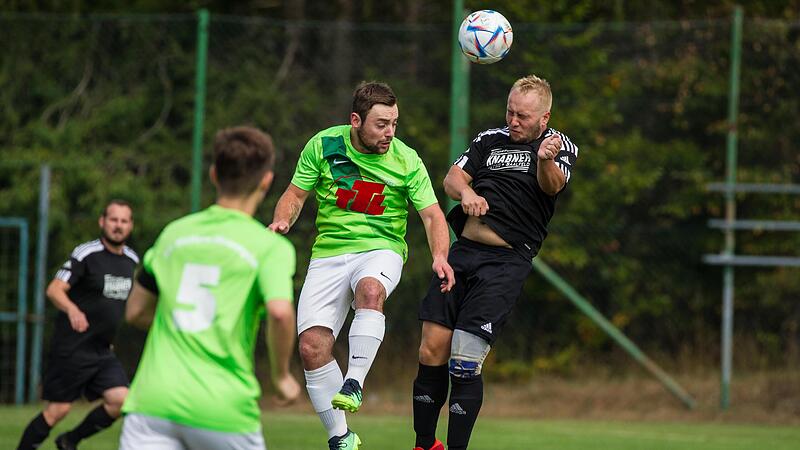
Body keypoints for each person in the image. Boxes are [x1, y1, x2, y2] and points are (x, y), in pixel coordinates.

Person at [269, 81, 454, 450]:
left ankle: (353, 382)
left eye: (395, 123)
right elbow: (294, 194)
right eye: (381, 124)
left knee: (370, 290)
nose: (390, 133)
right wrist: (283, 221)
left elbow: (434, 216)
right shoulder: (324, 145)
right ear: (356, 120)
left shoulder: (406, 159)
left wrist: (439, 256)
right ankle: (341, 437)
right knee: (310, 347)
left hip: (380, 250)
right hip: (328, 255)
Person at [411, 74, 579, 450]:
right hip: (462, 254)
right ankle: (424, 444)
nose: (514, 120)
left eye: (523, 116)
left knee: (464, 359)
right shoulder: (489, 140)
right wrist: (467, 191)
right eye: (510, 111)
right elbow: (452, 179)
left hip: (505, 263)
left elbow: (553, 186)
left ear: (544, 118)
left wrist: (544, 160)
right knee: (431, 348)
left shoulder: (558, 145)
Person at [120, 126, 301, 450]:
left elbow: (134, 312)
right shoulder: (269, 247)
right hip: (223, 408)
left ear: (214, 174)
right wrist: (281, 377)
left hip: (152, 403)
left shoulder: (173, 234)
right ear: (266, 181)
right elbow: (279, 312)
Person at [16, 200, 138, 450]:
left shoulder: (132, 260)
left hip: (103, 351)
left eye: (124, 221)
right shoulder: (86, 254)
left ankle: (69, 441)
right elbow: (54, 289)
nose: (118, 226)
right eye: (114, 220)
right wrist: (72, 309)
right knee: (58, 410)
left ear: (130, 226)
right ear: (102, 222)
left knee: (121, 401)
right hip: (73, 347)